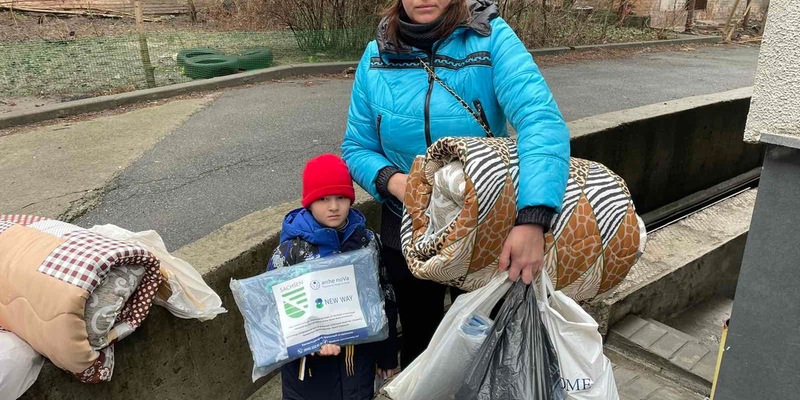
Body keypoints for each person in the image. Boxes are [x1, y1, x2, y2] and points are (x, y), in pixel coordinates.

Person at [341, 0, 570, 368]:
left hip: (487, 227)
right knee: (420, 342)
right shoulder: (376, 57)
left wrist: (533, 218)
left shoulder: (489, 37)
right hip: (409, 229)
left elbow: (541, 120)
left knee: (490, 342)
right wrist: (397, 183)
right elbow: (357, 146)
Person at [266, 154, 399, 400]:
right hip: (308, 374)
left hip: (358, 362)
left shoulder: (366, 242)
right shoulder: (291, 252)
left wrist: (386, 353)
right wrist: (311, 342)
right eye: (323, 199)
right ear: (308, 202)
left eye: (341, 197)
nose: (334, 206)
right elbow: (274, 311)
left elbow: (383, 296)